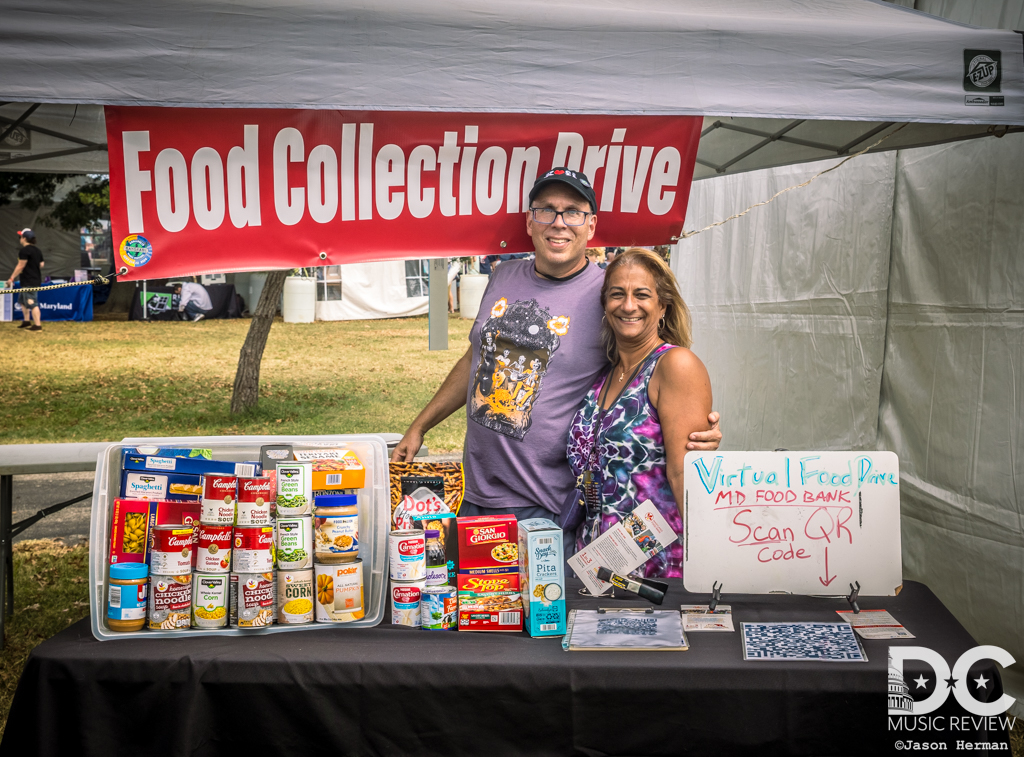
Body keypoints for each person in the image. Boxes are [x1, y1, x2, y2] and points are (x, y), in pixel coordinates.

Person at [391, 167, 722, 559]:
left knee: (540, 617)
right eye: (546, 210)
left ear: (591, 224)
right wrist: (420, 425)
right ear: (530, 221)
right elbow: (474, 358)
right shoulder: (503, 275)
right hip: (476, 491)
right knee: (477, 614)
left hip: (543, 505)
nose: (559, 223)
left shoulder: (607, 293)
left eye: (573, 212)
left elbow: (649, 365)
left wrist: (694, 428)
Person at [567, 248, 712, 578]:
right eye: (617, 294)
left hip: (655, 568)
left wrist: (712, 562)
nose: (628, 305)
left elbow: (685, 475)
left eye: (641, 295)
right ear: (605, 305)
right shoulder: (605, 375)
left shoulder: (675, 365)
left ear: (662, 305)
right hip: (596, 564)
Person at [6, 228, 44, 332]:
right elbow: (41, 264)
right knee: (22, 301)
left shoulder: (24, 251)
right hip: (33, 279)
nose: (20, 239)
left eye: (20, 237)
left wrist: (11, 278)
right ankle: (26, 321)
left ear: (24, 238)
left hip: (29, 281)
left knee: (32, 303)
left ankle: (37, 326)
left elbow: (20, 266)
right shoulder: (37, 250)